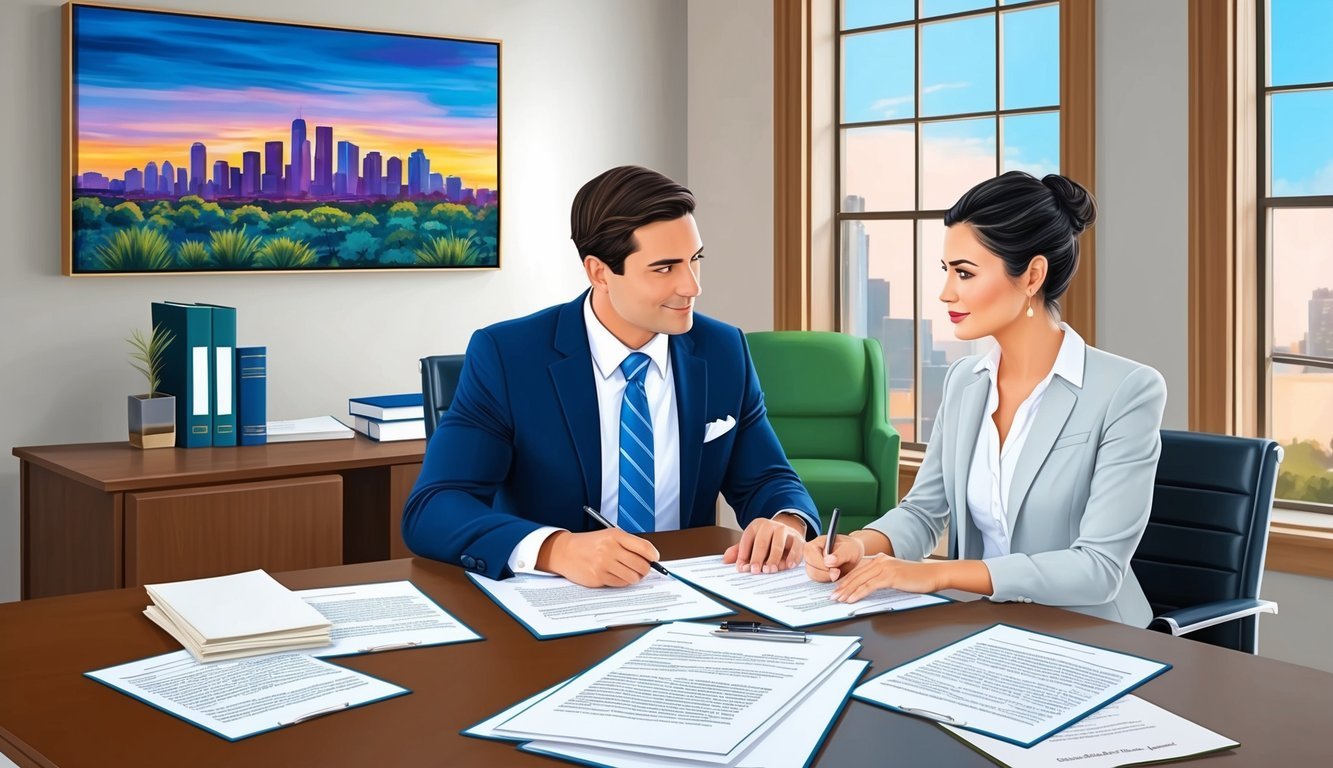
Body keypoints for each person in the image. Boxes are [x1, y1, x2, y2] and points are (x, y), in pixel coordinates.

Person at [403, 165, 819, 587]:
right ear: (599, 272)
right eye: (664, 268)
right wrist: (556, 548)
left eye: (695, 261)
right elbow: (435, 507)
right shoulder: (509, 356)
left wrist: (786, 521)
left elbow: (767, 477)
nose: (692, 287)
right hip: (557, 602)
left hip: (683, 597)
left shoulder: (723, 349)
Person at [805, 171, 1166, 626]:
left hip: (1089, 631)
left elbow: (1098, 569)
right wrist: (859, 544)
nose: (946, 292)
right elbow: (923, 511)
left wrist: (936, 576)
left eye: (965, 273)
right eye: (947, 271)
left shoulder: (1126, 391)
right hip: (983, 626)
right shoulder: (964, 381)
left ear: (1032, 275)